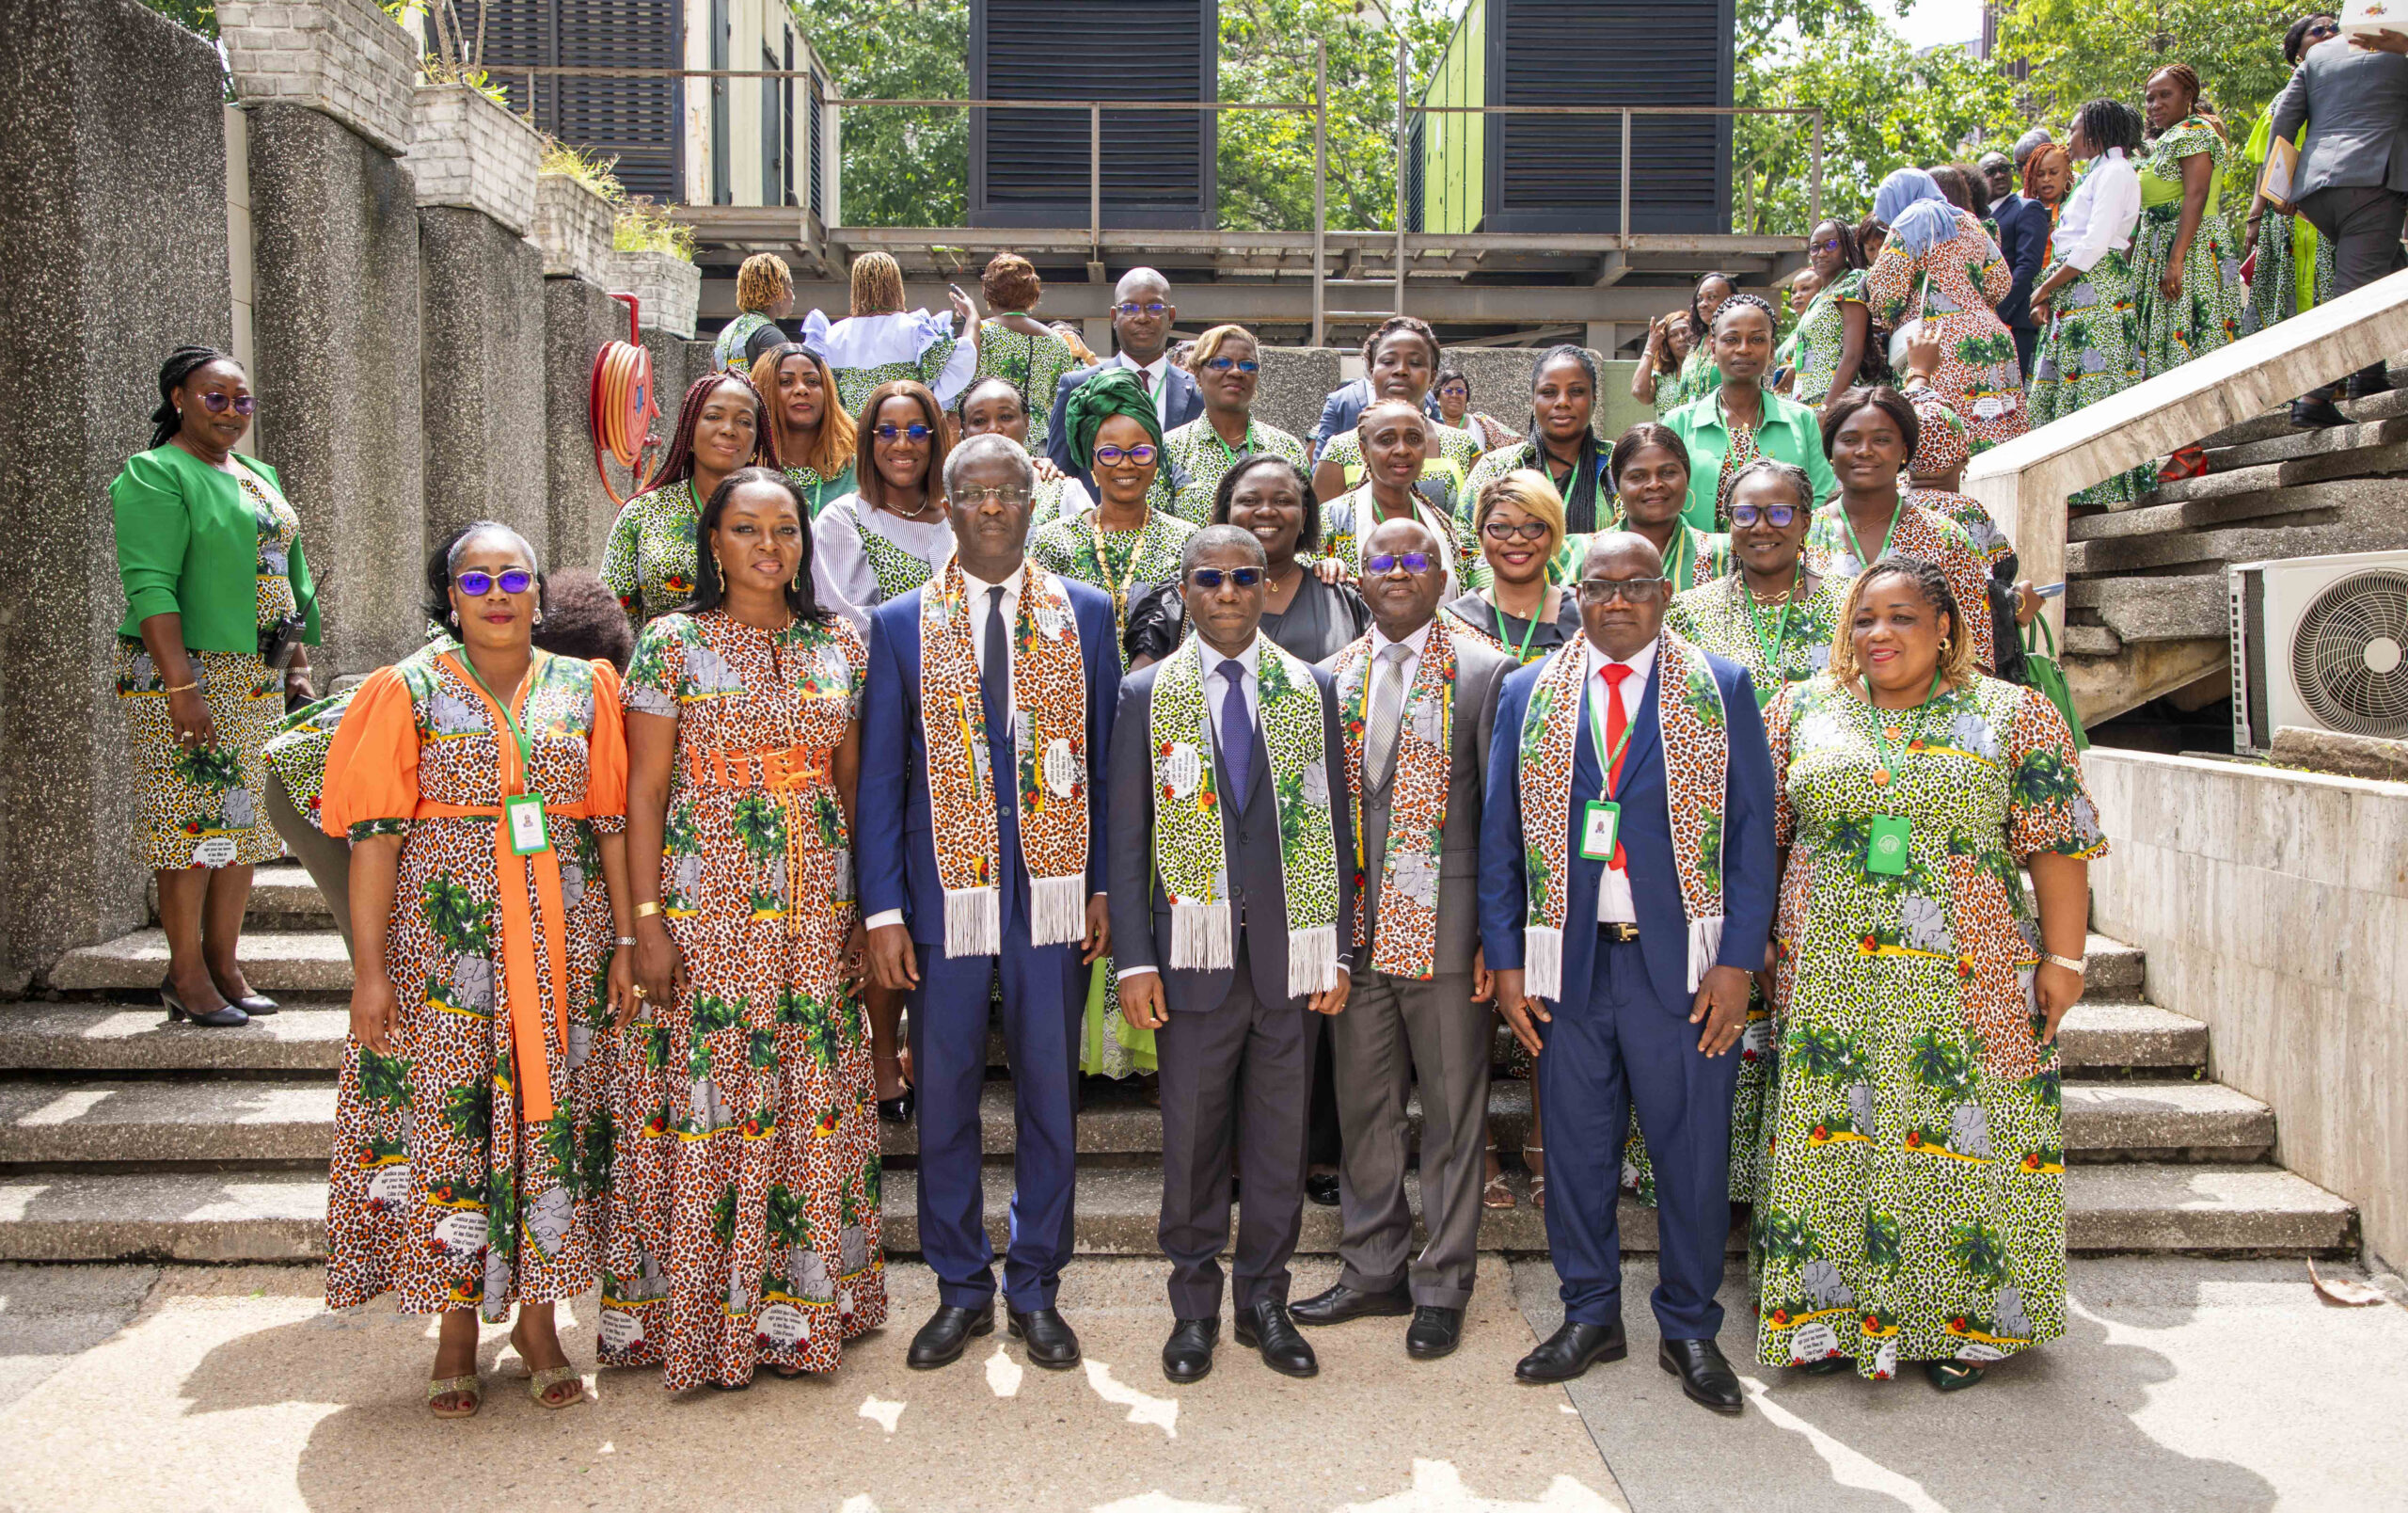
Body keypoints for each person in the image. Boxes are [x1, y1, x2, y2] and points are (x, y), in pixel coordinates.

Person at [1753, 555, 2104, 1390]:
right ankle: (1828, 1321)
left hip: (1967, 967)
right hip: (1829, 968)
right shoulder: (1801, 709)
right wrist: (1756, 942)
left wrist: (2065, 959)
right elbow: (1761, 835)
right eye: (1864, 619)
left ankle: (1970, 1323)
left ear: (1945, 626)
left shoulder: (2013, 712)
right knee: (1833, 1134)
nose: (1879, 634)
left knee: (1963, 1140)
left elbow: (2057, 841)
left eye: (1902, 617)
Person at [323, 521, 627, 1417]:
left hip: (565, 940)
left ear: (539, 593)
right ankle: (454, 1329)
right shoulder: (405, 689)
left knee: (552, 1117)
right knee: (450, 1122)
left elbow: (611, 823)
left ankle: (540, 1322)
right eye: (476, 580)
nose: (497, 594)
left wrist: (624, 939)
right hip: (445, 952)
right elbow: (374, 841)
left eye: (514, 577)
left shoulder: (586, 687)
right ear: (450, 599)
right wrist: (370, 971)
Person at [1479, 532, 1778, 1413]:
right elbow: (1500, 836)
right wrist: (1506, 961)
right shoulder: (1529, 690)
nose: (1617, 600)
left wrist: (1737, 961)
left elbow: (1752, 835)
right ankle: (1590, 1315)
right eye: (1600, 586)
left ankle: (1688, 1327)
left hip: (1681, 967)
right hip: (1567, 963)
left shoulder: (1719, 687)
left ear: (1664, 592)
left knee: (1692, 1153)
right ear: (1574, 595)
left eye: (1636, 584)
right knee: (1576, 1150)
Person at [609, 469, 884, 1390]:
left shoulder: (837, 642)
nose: (769, 546)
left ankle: (798, 1310)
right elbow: (645, 791)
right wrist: (646, 923)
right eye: (746, 529)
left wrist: (861, 910)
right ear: (714, 543)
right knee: (711, 1092)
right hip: (707, 902)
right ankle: (695, 1316)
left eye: (785, 529)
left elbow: (851, 785)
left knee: (805, 1090)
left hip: (813, 905)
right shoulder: (672, 642)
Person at [854, 435, 1119, 1373]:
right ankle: (961, 1288)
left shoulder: (1086, 613)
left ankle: (1036, 1286)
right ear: (947, 506)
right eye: (973, 493)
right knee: (945, 1096)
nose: (994, 506)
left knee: (1050, 1094)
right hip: (945, 897)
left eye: (1009, 490)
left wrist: (1101, 885)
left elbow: (1108, 763)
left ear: (1032, 504)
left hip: (1053, 892)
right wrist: (883, 912)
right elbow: (880, 781)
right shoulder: (898, 624)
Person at [1110, 524, 1356, 1384]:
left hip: (1291, 959)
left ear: (1265, 586)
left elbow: (1335, 826)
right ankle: (1193, 1309)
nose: (1227, 592)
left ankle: (1265, 1303)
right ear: (1184, 590)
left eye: (1244, 577)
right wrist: (1134, 961)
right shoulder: (1146, 693)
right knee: (1193, 1142)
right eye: (1209, 577)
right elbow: (1127, 837)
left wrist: (1337, 951)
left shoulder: (1309, 688)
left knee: (1281, 1143)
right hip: (1192, 958)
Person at [1290, 517, 1514, 1360]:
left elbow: (1503, 821)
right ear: (1359, 577)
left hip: (1448, 937)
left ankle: (1443, 1285)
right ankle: (1372, 1269)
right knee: (1364, 1111)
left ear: (1442, 576)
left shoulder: (1486, 671)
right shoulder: (1329, 676)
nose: (1397, 570)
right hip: (1356, 938)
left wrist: (1497, 938)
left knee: (1453, 1116)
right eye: (1381, 559)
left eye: (1415, 558)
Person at [265, 567, 631, 957]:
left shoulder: (500, 654)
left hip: (344, 782)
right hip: (306, 784)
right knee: (380, 946)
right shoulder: (459, 670)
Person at [113, 346, 318, 1027]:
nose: (232, 411)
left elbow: (282, 571)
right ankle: (186, 973)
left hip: (255, 675)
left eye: (242, 400)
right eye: (215, 398)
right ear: (178, 398)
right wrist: (182, 687)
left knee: (244, 824)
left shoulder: (256, 473)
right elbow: (150, 585)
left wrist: (295, 665)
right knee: (191, 825)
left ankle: (225, 964)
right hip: (188, 673)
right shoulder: (156, 472)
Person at [1444, 470, 1588, 1210]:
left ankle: (1541, 1134)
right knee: (1466, 991)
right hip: (1468, 819)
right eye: (1500, 527)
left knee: (1547, 985)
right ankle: (1476, 1149)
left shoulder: (1585, 614)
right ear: (1479, 536)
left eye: (1533, 526)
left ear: (1554, 533)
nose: (1517, 541)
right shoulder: (1452, 616)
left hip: (1560, 824)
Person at [2269, 21, 2408, 426]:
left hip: (2316, 187)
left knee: (2390, 270)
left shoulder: (2318, 56)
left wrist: (2277, 187)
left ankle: (2369, 375)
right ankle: (2314, 396)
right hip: (2373, 181)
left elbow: (2284, 122)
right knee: (2356, 295)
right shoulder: (2400, 51)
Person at [1806, 387, 1996, 671]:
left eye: (1881, 440)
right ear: (1830, 451)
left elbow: (1976, 655)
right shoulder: (1802, 536)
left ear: (1904, 452)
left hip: (1925, 698)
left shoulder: (1946, 538)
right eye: (1850, 440)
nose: (1864, 450)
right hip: (1823, 694)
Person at [1125, 456, 1372, 669]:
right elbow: (1142, 692)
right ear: (1228, 512)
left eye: (1283, 501)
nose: (1266, 511)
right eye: (1249, 501)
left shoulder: (1343, 601)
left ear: (1304, 515)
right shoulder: (1179, 598)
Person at [2028, 101, 2152, 508]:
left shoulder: (2116, 172)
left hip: (2096, 288)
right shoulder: (2097, 173)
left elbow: (2095, 243)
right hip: (2076, 289)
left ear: (2096, 132)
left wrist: (2045, 287)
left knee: (2095, 385)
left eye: (2075, 129)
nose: (2069, 138)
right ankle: (2074, 491)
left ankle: (2096, 492)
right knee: (2072, 384)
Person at [1866, 168, 2029, 455]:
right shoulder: (1969, 221)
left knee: (1947, 437)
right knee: (1995, 432)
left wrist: (1886, 315)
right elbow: (2001, 282)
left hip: (1939, 344)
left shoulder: (1908, 221)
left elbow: (1887, 293)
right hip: (1992, 336)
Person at [602, 372, 779, 629]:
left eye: (743, 421)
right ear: (689, 431)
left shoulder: (779, 512)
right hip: (663, 654)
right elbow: (614, 619)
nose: (729, 430)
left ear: (756, 442)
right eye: (714, 417)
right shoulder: (643, 511)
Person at [1664, 296, 1840, 531]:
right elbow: (1665, 501)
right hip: (1700, 552)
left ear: (1771, 350)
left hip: (1783, 551)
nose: (1744, 349)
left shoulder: (1802, 419)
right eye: (1731, 339)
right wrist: (1705, 546)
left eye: (1757, 339)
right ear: (1714, 349)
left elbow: (1822, 496)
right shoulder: (1678, 423)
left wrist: (1788, 540)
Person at [2134, 64, 2243, 420]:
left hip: (2192, 249)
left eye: (2165, 95)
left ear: (2188, 96)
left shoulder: (2194, 132)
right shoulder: (2168, 137)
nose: (2155, 104)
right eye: (2150, 98)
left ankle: (2198, 427)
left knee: (2190, 333)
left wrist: (2176, 258)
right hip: (2164, 247)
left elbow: (2196, 195)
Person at [815, 379, 957, 628]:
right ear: (869, 441)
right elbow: (851, 626)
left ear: (936, 439)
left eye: (918, 432)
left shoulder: (956, 516)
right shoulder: (843, 520)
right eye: (887, 432)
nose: (902, 444)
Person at [1046, 268, 1204, 490]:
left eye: (1154, 308)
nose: (1142, 317)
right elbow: (1059, 477)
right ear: (1114, 317)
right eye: (1130, 308)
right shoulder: (1077, 387)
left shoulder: (1198, 392)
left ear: (1171, 317)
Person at [1312, 316, 1486, 510]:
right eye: (1388, 361)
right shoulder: (1339, 449)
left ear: (1433, 375)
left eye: (1415, 363)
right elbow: (1321, 525)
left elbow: (1478, 523)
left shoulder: (1464, 446)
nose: (1401, 370)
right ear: (1372, 371)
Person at [2242, 15, 2342, 341]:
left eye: (2335, 29)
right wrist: (2255, 216)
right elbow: (2267, 162)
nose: (2329, 34)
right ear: (2297, 54)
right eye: (2318, 31)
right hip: (2288, 214)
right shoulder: (2282, 100)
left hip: (2336, 210)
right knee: (2290, 303)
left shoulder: (2354, 88)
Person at [1323, 400, 1483, 593]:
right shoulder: (1332, 520)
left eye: (1413, 439)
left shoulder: (1442, 524)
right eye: (1386, 440)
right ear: (1364, 451)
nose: (1402, 450)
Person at [1463, 345, 1613, 538]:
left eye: (1576, 391)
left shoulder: (1618, 465)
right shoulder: (1495, 468)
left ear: (1594, 399)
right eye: (1549, 392)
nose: (1562, 402)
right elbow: (1465, 542)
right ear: (1533, 401)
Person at [1164, 325, 1310, 522]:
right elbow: (1155, 528)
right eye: (1221, 363)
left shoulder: (1287, 448)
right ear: (1197, 374)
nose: (1236, 372)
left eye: (1248, 365)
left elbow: (1307, 526)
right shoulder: (1170, 449)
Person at [811, 251, 980, 418]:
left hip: (855, 434)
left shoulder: (832, 336)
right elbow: (963, 360)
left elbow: (829, 398)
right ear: (895, 284)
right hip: (908, 431)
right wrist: (972, 317)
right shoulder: (916, 330)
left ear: (856, 286)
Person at [969, 253, 1082, 459]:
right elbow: (1064, 404)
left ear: (987, 292)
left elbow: (968, 391)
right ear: (1033, 296)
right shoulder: (1057, 342)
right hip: (1044, 447)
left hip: (992, 440)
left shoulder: (981, 334)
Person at [1602, 424, 1732, 593]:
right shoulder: (1584, 553)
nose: (1654, 484)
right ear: (1618, 485)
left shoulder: (1724, 554)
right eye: (1638, 476)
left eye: (1668, 473)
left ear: (1687, 479)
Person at [752, 342, 857, 517]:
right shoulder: (746, 469)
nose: (802, 389)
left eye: (812, 381)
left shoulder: (857, 469)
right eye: (786, 382)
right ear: (764, 390)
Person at [958, 375, 1075, 530]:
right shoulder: (950, 493)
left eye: (1006, 417)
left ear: (1026, 422)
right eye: (979, 421)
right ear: (965, 429)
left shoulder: (1062, 493)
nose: (993, 429)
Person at [1790, 220, 1877, 411]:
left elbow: (1852, 355)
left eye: (1830, 245)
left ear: (1845, 247)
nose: (1821, 253)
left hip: (1834, 402)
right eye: (1815, 248)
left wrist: (1827, 409)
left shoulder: (1851, 282)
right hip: (1806, 401)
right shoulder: (1819, 296)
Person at [1631, 273, 1735, 417]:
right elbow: (1639, 392)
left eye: (1711, 297)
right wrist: (1650, 347)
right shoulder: (1696, 350)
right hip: (1685, 429)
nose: (1703, 304)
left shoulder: (1735, 341)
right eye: (1699, 299)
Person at [1991, 153, 2053, 382]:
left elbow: (2027, 266)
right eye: (1990, 171)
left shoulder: (2027, 208)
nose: (1999, 175)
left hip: (2015, 318)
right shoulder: (1976, 215)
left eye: (2005, 168)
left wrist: (1998, 310)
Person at [715, 253, 795, 374]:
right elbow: (770, 383)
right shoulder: (770, 335)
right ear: (777, 290)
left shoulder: (726, 333)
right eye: (790, 287)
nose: (793, 296)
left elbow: (712, 380)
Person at [1434, 365, 1521, 454]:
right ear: (1438, 396)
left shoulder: (1481, 423)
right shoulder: (1430, 423)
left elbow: (1516, 443)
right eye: (1449, 391)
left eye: (1460, 391)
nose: (1454, 395)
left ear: (1467, 398)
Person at [1632, 315, 1701, 422]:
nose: (1681, 338)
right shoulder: (1661, 376)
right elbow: (1639, 392)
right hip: (1667, 432)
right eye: (1673, 335)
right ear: (1666, 343)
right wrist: (1650, 347)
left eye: (1685, 331)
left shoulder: (1705, 369)